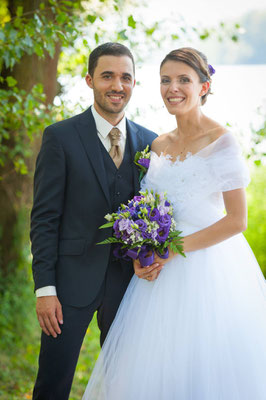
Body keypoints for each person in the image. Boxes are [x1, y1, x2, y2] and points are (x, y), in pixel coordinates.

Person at [82, 47, 266, 400]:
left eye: (184, 80)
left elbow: (237, 220)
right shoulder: (158, 145)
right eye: (166, 80)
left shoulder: (221, 141)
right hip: (157, 278)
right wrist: (142, 251)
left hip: (209, 273)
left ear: (204, 86)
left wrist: (170, 249)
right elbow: (149, 209)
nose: (173, 88)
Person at [30, 42, 160, 400]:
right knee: (53, 383)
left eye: (125, 77)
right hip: (69, 285)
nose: (117, 85)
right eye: (107, 76)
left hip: (129, 285)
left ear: (134, 84)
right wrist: (45, 290)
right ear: (89, 80)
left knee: (122, 383)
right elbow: (44, 219)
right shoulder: (60, 137)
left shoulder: (151, 144)